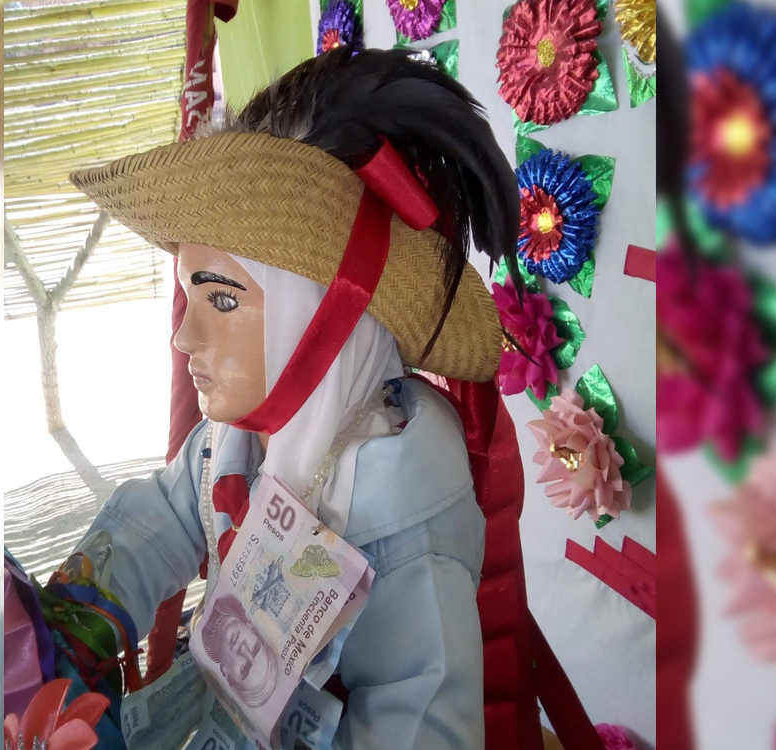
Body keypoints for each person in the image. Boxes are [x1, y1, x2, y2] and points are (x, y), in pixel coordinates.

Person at [65, 47, 525, 749]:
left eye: (223, 300)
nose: (184, 337)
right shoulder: (234, 441)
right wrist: (62, 628)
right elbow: (160, 517)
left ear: (320, 315)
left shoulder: (403, 513)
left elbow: (420, 726)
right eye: (190, 296)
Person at [200, 594, 279, 707]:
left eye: (244, 668)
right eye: (255, 648)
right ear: (253, 629)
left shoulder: (198, 637)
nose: (243, 649)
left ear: (225, 672)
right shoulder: (237, 596)